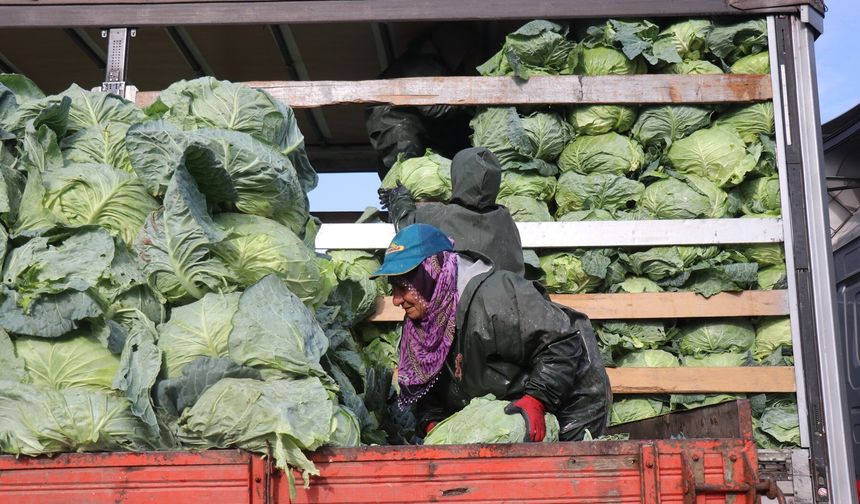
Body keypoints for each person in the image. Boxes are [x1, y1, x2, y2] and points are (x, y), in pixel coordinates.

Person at [370, 223, 611, 442]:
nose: (396, 300)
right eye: (393, 289)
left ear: (431, 275)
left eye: (403, 288)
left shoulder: (495, 297)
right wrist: (434, 423)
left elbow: (562, 341)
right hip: (503, 420)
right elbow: (426, 386)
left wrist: (537, 399)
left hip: (568, 409)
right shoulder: (425, 323)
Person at [379, 147, 526, 276]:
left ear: (456, 177)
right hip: (508, 301)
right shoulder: (506, 221)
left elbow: (406, 224)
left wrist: (399, 198)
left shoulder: (441, 216)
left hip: (463, 304)